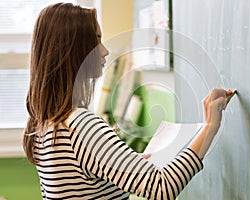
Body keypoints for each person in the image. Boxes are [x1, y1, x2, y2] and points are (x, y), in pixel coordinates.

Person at [23, 3, 233, 200]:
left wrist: (124, 163)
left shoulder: (43, 123)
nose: (105, 50)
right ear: (73, 50)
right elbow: (163, 187)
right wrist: (209, 128)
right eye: (96, 39)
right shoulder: (81, 126)